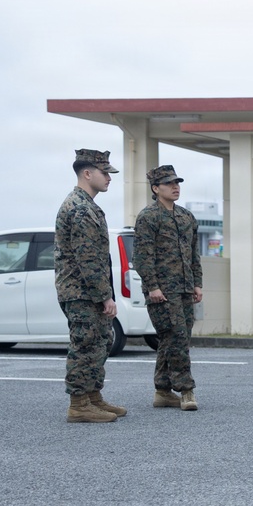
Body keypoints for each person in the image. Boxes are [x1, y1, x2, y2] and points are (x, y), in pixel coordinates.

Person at [54, 149, 127, 423]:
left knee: (100, 342)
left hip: (86, 291)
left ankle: (93, 397)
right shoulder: (80, 208)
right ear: (87, 173)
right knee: (85, 345)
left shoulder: (87, 205)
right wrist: (105, 296)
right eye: (104, 173)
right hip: (81, 291)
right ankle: (78, 404)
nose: (109, 178)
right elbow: (88, 260)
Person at [133, 165, 203, 411]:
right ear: (155, 188)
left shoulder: (186, 217)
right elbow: (142, 257)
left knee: (171, 338)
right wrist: (152, 287)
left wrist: (197, 283)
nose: (175, 187)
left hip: (184, 288)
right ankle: (186, 390)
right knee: (177, 337)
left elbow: (194, 253)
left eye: (177, 182)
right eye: (169, 183)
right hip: (162, 290)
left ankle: (162, 390)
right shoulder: (148, 217)